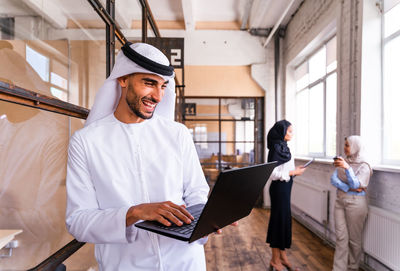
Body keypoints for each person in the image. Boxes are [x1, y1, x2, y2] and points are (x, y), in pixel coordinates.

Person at [65, 42, 211, 270]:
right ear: (123, 79)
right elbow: (78, 222)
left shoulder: (177, 134)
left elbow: (197, 193)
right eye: (149, 83)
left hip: (185, 262)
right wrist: (134, 213)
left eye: (163, 86)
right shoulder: (85, 142)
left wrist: (206, 221)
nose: (158, 96)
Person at [266, 120, 306, 271]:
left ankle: (281, 257)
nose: (292, 134)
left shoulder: (284, 147)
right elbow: (272, 173)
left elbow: (285, 168)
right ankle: (276, 260)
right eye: (289, 131)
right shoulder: (276, 149)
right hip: (279, 189)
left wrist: (295, 170)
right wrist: (293, 172)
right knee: (279, 222)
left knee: (283, 222)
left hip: (285, 187)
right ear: (281, 132)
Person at [331, 136, 372, 271]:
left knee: (354, 240)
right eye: (345, 145)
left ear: (355, 146)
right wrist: (348, 187)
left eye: (348, 145)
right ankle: (339, 269)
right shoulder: (344, 161)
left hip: (356, 203)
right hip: (340, 200)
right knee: (341, 238)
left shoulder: (364, 165)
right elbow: (334, 180)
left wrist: (347, 169)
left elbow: (357, 183)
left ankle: (352, 267)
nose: (345, 148)